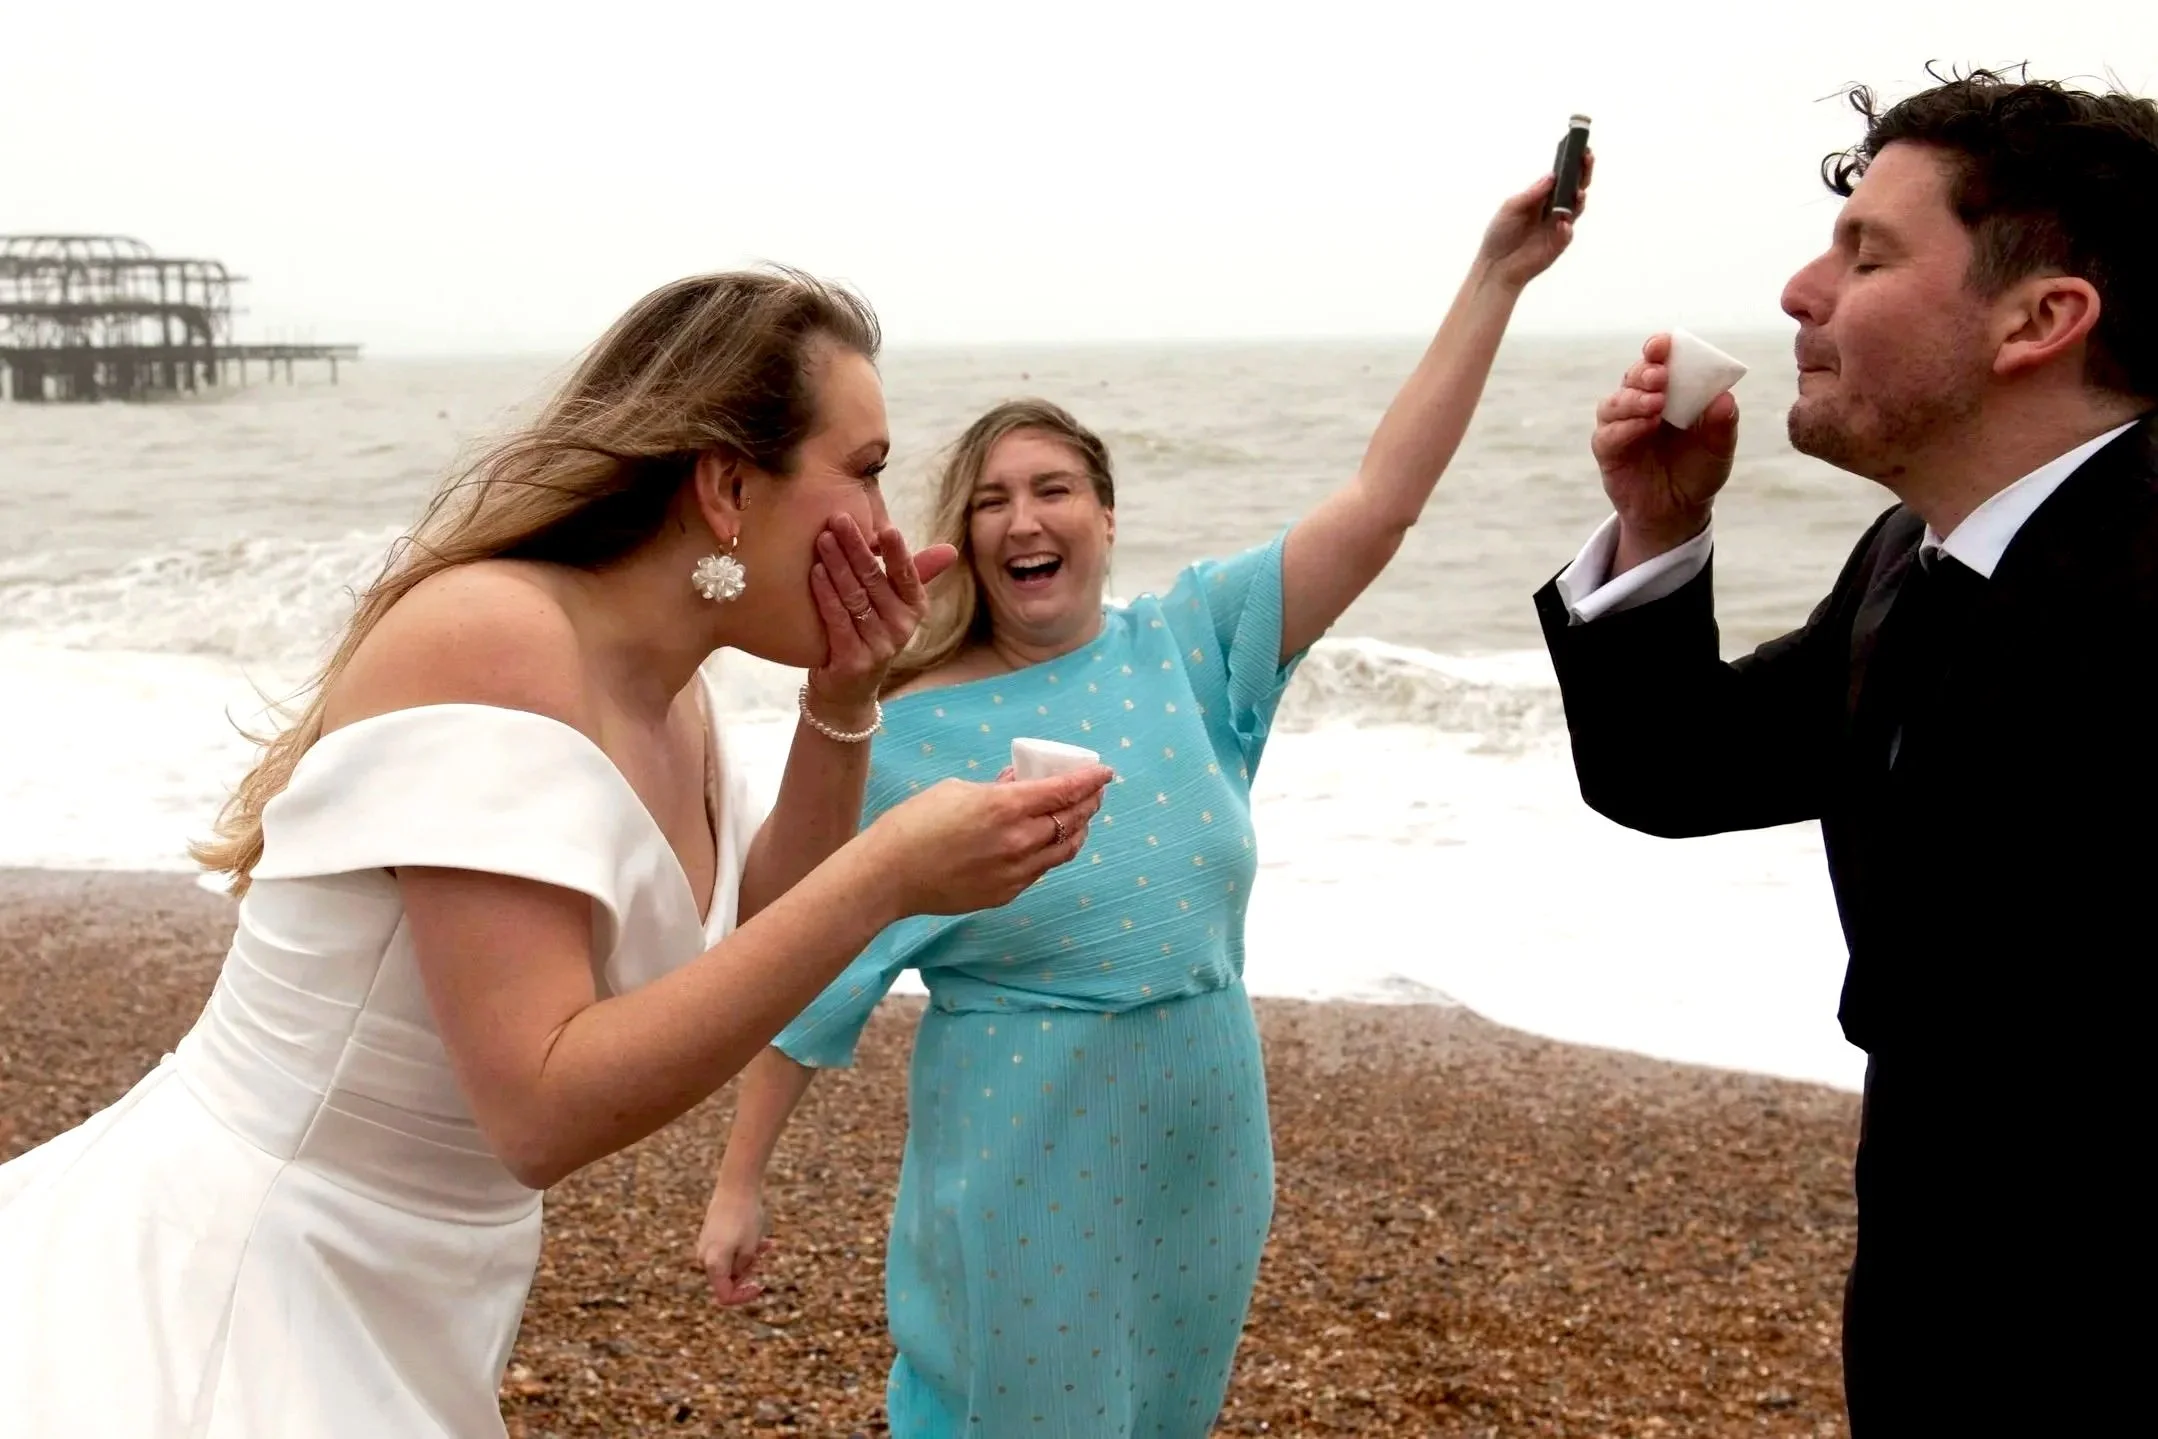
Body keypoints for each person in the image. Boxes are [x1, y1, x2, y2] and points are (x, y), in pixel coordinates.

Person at [0, 268, 1112, 1439]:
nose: (891, 531)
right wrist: (886, 872)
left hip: (432, 1268)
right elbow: (537, 1107)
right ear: (729, 483)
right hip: (256, 1254)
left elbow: (753, 929)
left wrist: (842, 698)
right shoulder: (494, 638)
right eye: (869, 468)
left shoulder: (671, 687)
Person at [698, 167, 1590, 1436]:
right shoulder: (906, 733)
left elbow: (1381, 501)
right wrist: (740, 1182)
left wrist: (1495, 277)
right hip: (1019, 1141)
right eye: (991, 498)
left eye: (1053, 487)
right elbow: (803, 968)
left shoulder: (1197, 645)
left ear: (1105, 518)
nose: (1023, 516)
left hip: (1205, 1139)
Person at [1532, 70, 2156, 1434]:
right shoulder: (1910, 554)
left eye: (1864, 253)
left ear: (2038, 319)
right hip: (1937, 1310)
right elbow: (1676, 768)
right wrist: (1656, 528)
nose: (1800, 291)